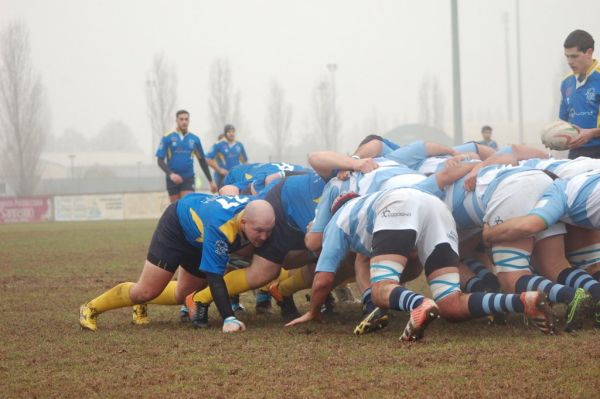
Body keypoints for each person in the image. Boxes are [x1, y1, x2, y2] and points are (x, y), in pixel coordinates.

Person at [286, 186, 558, 338]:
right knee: (451, 304)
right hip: (436, 208)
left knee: (381, 290)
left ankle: (419, 304)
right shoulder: (365, 214)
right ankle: (524, 301)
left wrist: (313, 311)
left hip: (399, 205)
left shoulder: (338, 220)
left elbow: (322, 279)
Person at [79, 194, 275, 332]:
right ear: (243, 223)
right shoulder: (221, 227)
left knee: (183, 295)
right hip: (176, 227)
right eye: (259, 231)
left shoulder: (255, 211)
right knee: (145, 291)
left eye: (268, 231)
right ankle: (91, 308)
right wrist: (229, 319)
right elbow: (214, 277)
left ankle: (141, 302)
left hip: (199, 235)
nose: (264, 236)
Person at [156, 110, 217, 202]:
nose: (184, 122)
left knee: (186, 205)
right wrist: (171, 175)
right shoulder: (167, 137)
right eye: (181, 119)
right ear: (176, 120)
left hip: (188, 178)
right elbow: (160, 161)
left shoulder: (194, 139)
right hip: (172, 179)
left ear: (189, 121)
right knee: (175, 208)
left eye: (186, 119)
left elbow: (202, 161)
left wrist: (211, 181)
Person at [559, 30, 600, 158]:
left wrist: (592, 133)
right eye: (567, 56)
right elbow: (563, 120)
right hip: (575, 153)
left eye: (574, 56)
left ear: (589, 52)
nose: (570, 61)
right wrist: (555, 137)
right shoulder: (566, 82)